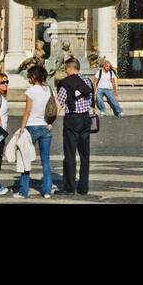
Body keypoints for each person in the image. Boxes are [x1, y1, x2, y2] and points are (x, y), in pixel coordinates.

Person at [56, 57, 95, 195]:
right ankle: (84, 187)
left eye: (66, 69)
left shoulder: (65, 83)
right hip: (85, 119)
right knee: (85, 156)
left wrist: (49, 121)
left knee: (70, 155)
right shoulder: (88, 82)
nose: (65, 71)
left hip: (72, 120)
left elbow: (58, 104)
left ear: (71, 68)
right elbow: (91, 102)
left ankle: (70, 187)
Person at [17, 65, 54, 198]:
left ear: (34, 76)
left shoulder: (31, 91)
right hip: (45, 127)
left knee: (25, 159)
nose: (28, 78)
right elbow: (53, 108)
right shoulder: (48, 90)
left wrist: (22, 129)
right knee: (46, 160)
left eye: (29, 75)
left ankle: (23, 191)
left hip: (31, 126)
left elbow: (27, 112)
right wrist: (50, 122)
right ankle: (47, 191)